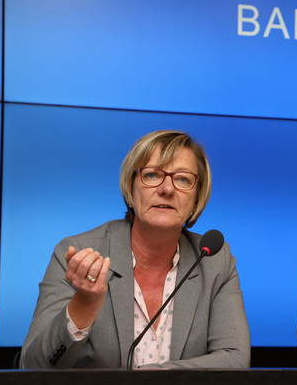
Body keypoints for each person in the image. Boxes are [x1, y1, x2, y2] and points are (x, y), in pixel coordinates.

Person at [21, 130, 250, 369]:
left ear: (196, 197)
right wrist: (84, 305)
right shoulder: (78, 255)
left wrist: (145, 378)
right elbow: (33, 367)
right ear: (131, 189)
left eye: (182, 179)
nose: (167, 189)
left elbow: (234, 358)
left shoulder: (214, 260)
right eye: (152, 175)